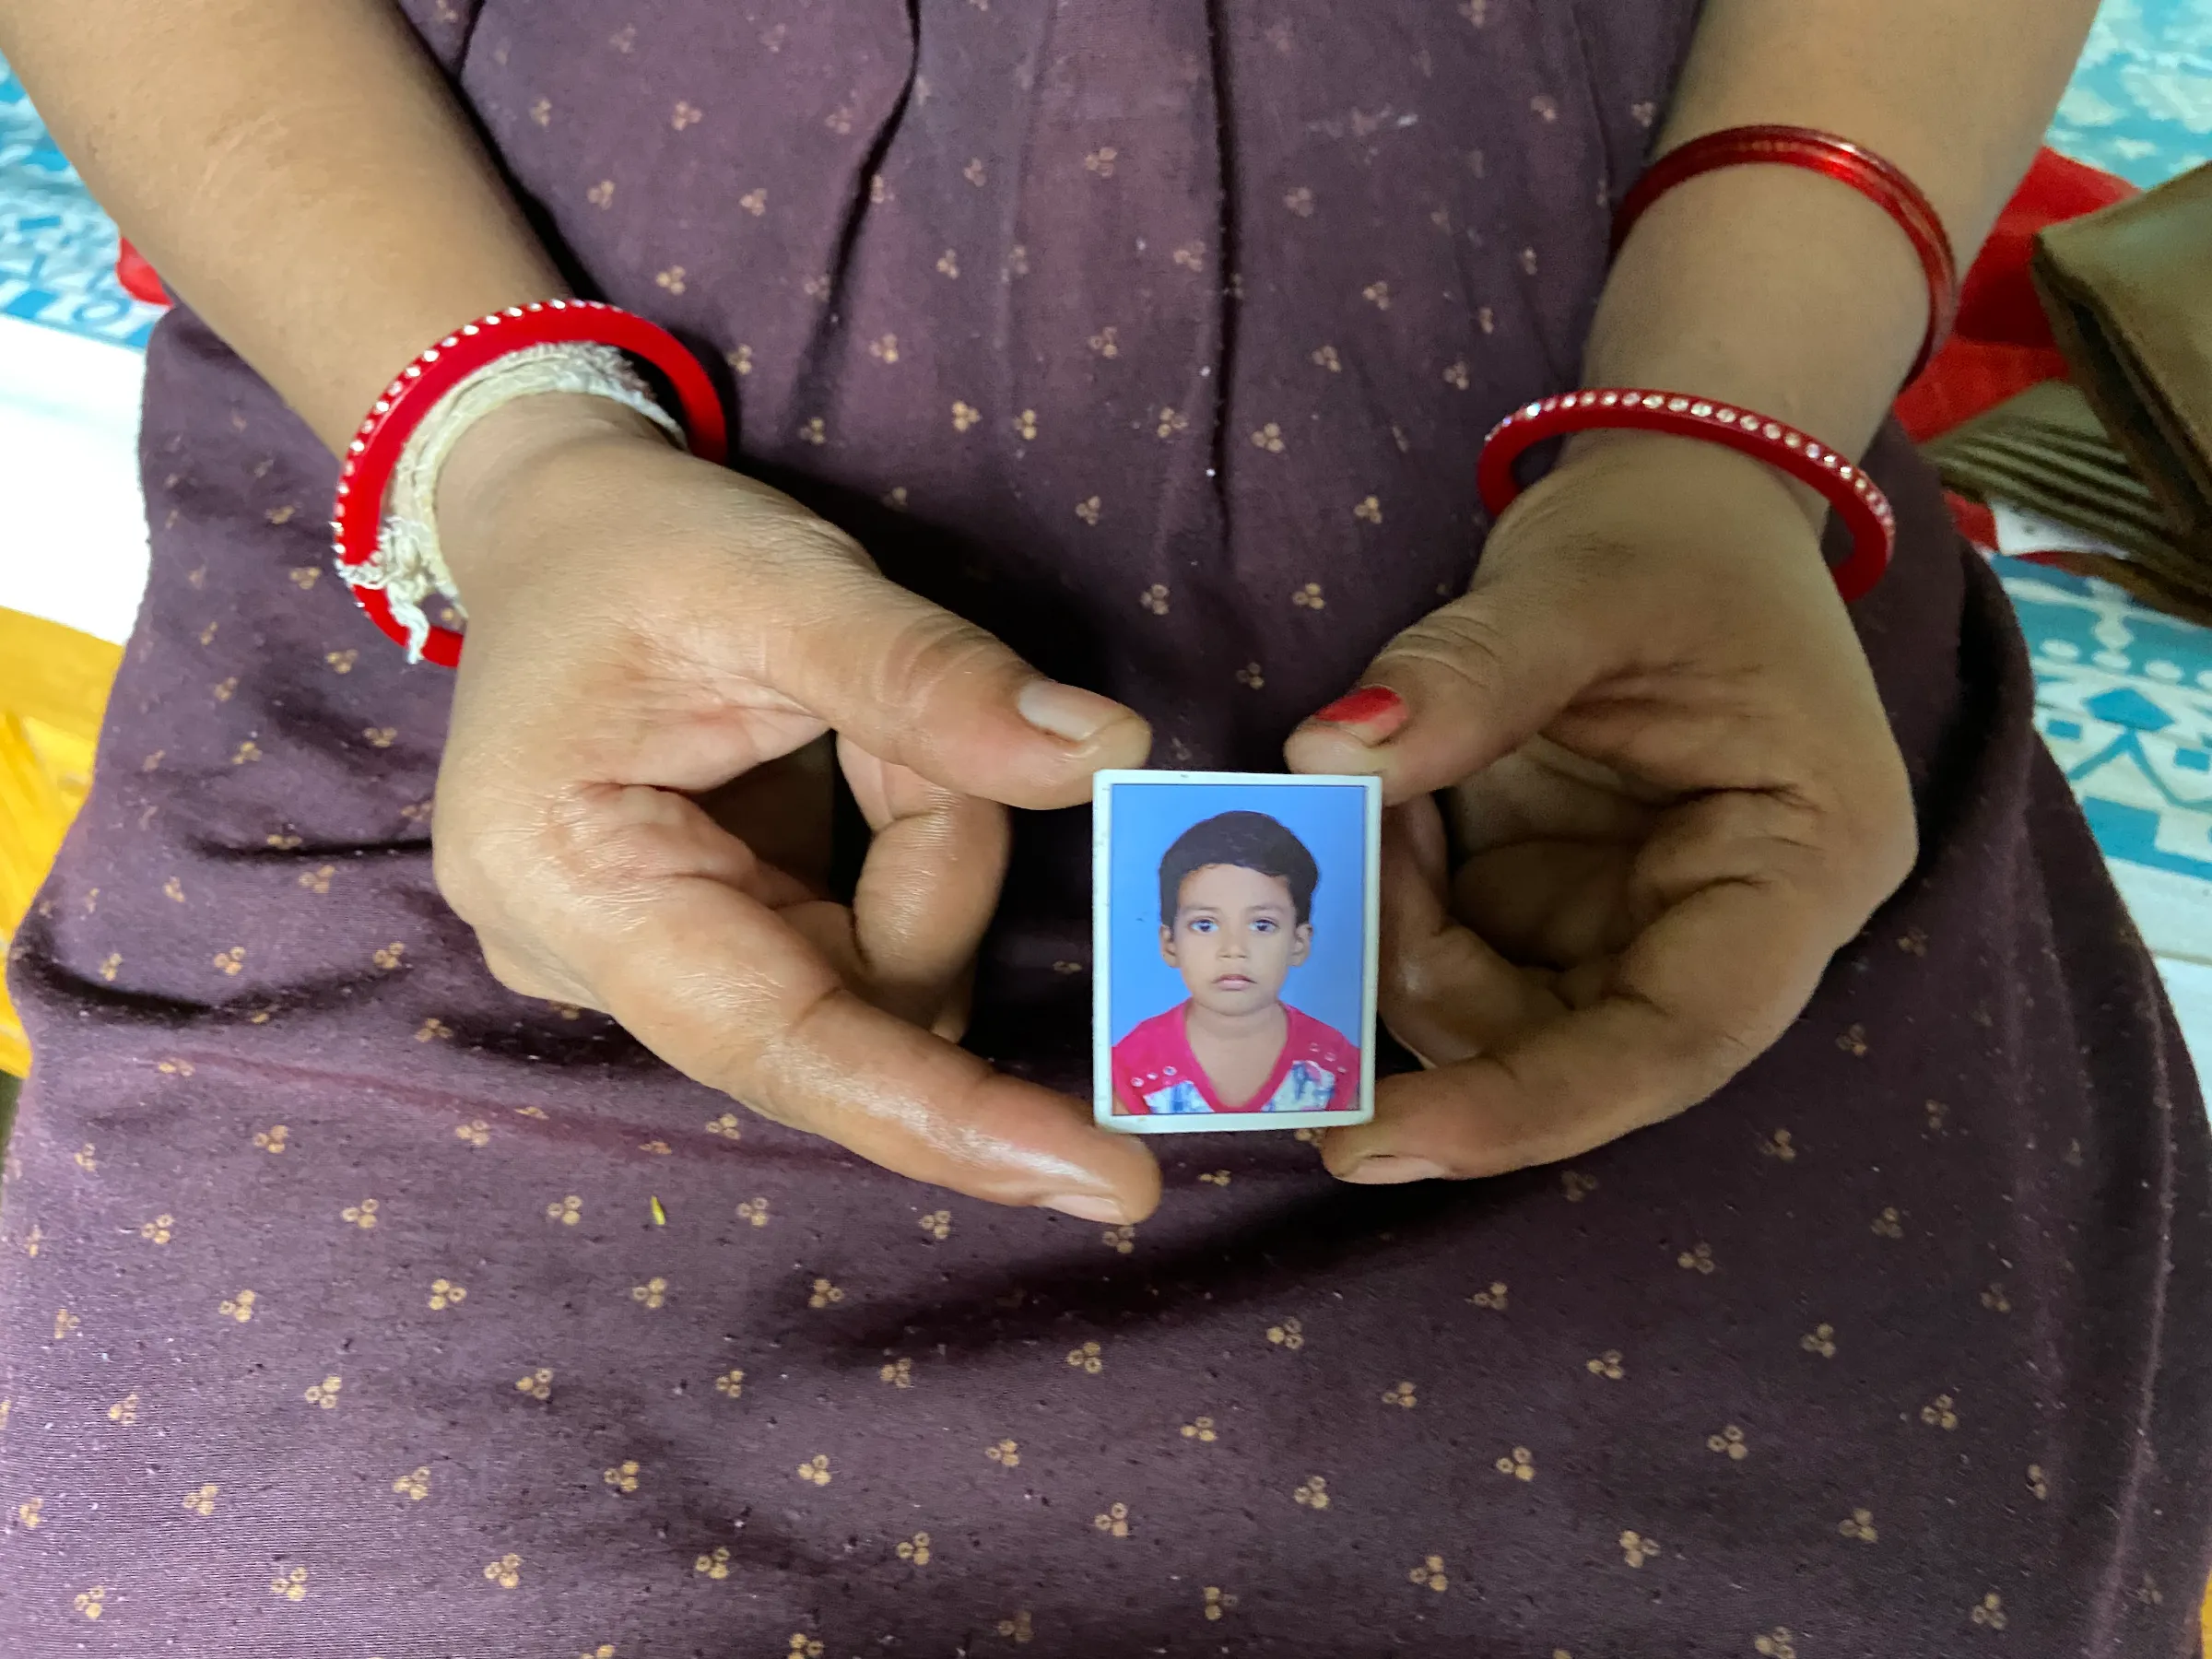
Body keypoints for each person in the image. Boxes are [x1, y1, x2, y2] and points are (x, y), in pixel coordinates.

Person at [0, 0, 2206, 1652]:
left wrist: (1712, 440)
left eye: (1253, 940)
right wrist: (513, 452)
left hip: (1650, 719)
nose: (1238, 961)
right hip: (502, 651)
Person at [1112, 810, 1361, 1116]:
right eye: (1205, 925)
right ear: (1170, 944)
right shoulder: (1131, 1066)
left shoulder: (1336, 1064)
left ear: (1299, 943)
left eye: (1262, 925)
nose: (1234, 949)